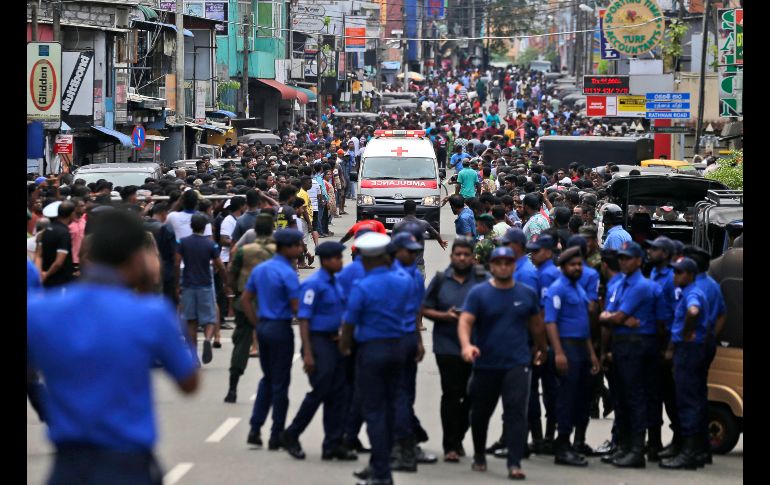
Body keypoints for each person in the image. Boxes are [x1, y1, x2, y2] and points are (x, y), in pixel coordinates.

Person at [27, 209, 199, 484]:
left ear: (86, 257)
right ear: (136, 258)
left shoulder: (39, 311)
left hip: (67, 465)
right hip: (127, 463)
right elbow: (189, 382)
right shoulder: (152, 314)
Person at [459, 246, 547, 480]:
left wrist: (542, 349)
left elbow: (537, 325)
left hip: (517, 363)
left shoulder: (526, 294)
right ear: (492, 266)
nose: (504, 266)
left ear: (513, 265)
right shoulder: (479, 293)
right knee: (480, 412)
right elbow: (465, 321)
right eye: (499, 263)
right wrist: (467, 345)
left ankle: (515, 462)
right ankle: (479, 454)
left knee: (516, 412)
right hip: (486, 363)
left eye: (508, 262)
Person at [339, 232, 413, 485]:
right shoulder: (404, 280)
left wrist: (346, 348)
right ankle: (383, 463)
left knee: (374, 412)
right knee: (392, 406)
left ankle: (381, 472)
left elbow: (349, 323)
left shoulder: (364, 285)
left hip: (371, 350)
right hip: (399, 348)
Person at [280, 242, 357, 462]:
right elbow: (304, 319)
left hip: (335, 342)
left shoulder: (336, 283)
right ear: (326, 261)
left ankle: (332, 444)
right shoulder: (313, 285)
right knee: (322, 388)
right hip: (317, 341)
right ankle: (292, 433)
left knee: (339, 393)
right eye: (337, 258)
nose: (341, 262)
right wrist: (308, 353)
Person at [422, 237, 489, 462]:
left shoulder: (482, 280)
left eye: (466, 255)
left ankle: (459, 436)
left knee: (473, 396)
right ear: (451, 256)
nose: (461, 258)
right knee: (451, 395)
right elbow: (424, 308)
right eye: (457, 254)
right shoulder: (441, 280)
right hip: (447, 346)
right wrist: (446, 316)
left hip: (477, 347)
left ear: (472, 257)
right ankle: (450, 445)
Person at [598, 241, 663, 468]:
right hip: (621, 343)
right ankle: (625, 446)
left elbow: (614, 317)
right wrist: (611, 318)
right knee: (623, 398)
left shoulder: (642, 286)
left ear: (638, 261)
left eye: (628, 258)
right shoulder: (619, 283)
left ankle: (636, 450)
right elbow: (610, 316)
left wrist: (610, 316)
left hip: (637, 345)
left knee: (635, 398)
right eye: (621, 258)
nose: (623, 261)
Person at [244, 229, 304, 449]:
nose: (300, 249)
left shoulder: (261, 269)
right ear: (287, 248)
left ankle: (255, 427)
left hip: (264, 327)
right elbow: (297, 307)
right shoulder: (287, 273)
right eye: (297, 245)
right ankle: (275, 433)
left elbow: (246, 298)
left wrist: (257, 323)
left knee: (267, 379)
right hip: (280, 329)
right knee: (280, 384)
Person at [543, 246, 600, 467]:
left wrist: (592, 354)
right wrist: (558, 352)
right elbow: (550, 322)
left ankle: (571, 444)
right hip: (566, 348)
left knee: (581, 398)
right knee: (566, 398)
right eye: (572, 265)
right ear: (563, 267)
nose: (577, 268)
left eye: (579, 264)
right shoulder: (558, 289)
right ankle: (563, 446)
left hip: (581, 349)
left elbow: (583, 324)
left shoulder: (578, 289)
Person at [389, 233, 436, 471]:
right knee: (397, 395)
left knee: (406, 392)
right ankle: (404, 444)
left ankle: (407, 440)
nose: (413, 253)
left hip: (408, 338)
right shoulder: (389, 275)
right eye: (409, 250)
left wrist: (418, 340)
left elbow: (417, 311)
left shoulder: (416, 276)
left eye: (415, 249)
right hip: (391, 340)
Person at [659, 257, 710, 471]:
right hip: (689, 351)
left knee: (687, 402)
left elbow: (693, 311)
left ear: (689, 274)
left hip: (689, 352)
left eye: (679, 272)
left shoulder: (693, 293)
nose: (675, 276)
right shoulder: (688, 291)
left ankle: (688, 454)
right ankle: (693, 451)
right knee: (692, 401)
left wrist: (687, 330)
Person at [224, 214, 276, 403]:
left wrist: (234, 292)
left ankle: (232, 387)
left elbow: (231, 275)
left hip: (244, 302)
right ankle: (273, 386)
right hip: (271, 304)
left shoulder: (244, 251)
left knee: (241, 344)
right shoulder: (278, 250)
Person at [175, 213, 227, 365]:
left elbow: (176, 262)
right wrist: (226, 282)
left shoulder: (182, 242)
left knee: (191, 321)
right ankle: (207, 338)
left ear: (191, 226)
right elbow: (220, 265)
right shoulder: (210, 245)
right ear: (205, 228)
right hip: (205, 283)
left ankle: (194, 356)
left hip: (188, 284)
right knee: (210, 318)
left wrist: (177, 283)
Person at [646, 236, 680, 461]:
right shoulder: (653, 273)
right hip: (653, 338)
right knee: (653, 395)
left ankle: (679, 441)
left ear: (666, 254)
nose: (650, 251)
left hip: (667, 338)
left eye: (656, 249)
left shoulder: (671, 277)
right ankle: (654, 442)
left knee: (670, 395)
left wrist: (670, 347)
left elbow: (678, 313)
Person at [37, 201, 77, 289]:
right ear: (72, 214)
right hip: (60, 282)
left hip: (46, 281)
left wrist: (41, 274)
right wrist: (47, 274)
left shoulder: (45, 231)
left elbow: (38, 255)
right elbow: (59, 262)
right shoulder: (64, 233)